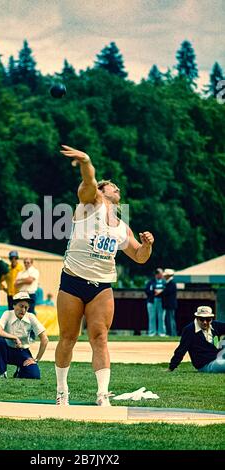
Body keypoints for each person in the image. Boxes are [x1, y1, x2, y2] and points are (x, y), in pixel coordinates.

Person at [55, 145, 154, 406]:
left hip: (102, 286)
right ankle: (62, 391)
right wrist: (87, 161)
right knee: (68, 338)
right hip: (73, 280)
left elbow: (140, 257)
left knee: (100, 338)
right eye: (111, 186)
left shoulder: (123, 227)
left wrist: (147, 246)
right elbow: (88, 179)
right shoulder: (90, 204)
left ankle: (102, 395)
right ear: (101, 191)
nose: (116, 189)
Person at [0, 291, 48, 379]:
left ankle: (19, 372)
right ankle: (3, 372)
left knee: (35, 375)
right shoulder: (7, 314)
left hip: (22, 351)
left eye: (26, 307)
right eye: (21, 306)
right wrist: (14, 337)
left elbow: (45, 339)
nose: (23, 310)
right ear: (14, 305)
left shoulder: (31, 317)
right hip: (7, 351)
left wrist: (36, 360)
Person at [168, 306, 225, 373]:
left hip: (219, 357)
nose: (205, 322)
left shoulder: (215, 325)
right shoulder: (189, 330)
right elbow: (181, 350)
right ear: (197, 318)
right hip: (206, 365)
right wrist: (171, 367)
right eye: (201, 319)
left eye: (208, 319)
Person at [145, 268, 166, 336]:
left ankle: (162, 333)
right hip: (152, 301)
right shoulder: (151, 281)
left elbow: (167, 290)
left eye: (160, 273)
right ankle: (152, 332)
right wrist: (154, 292)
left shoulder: (164, 282)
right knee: (152, 317)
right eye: (158, 273)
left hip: (161, 301)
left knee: (161, 317)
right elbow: (147, 290)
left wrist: (161, 292)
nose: (160, 275)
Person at [162, 268, 177, 336]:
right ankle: (170, 333)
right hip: (168, 305)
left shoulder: (171, 283)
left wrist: (162, 291)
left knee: (170, 319)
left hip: (170, 305)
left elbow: (168, 292)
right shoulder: (168, 283)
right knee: (168, 319)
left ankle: (172, 333)